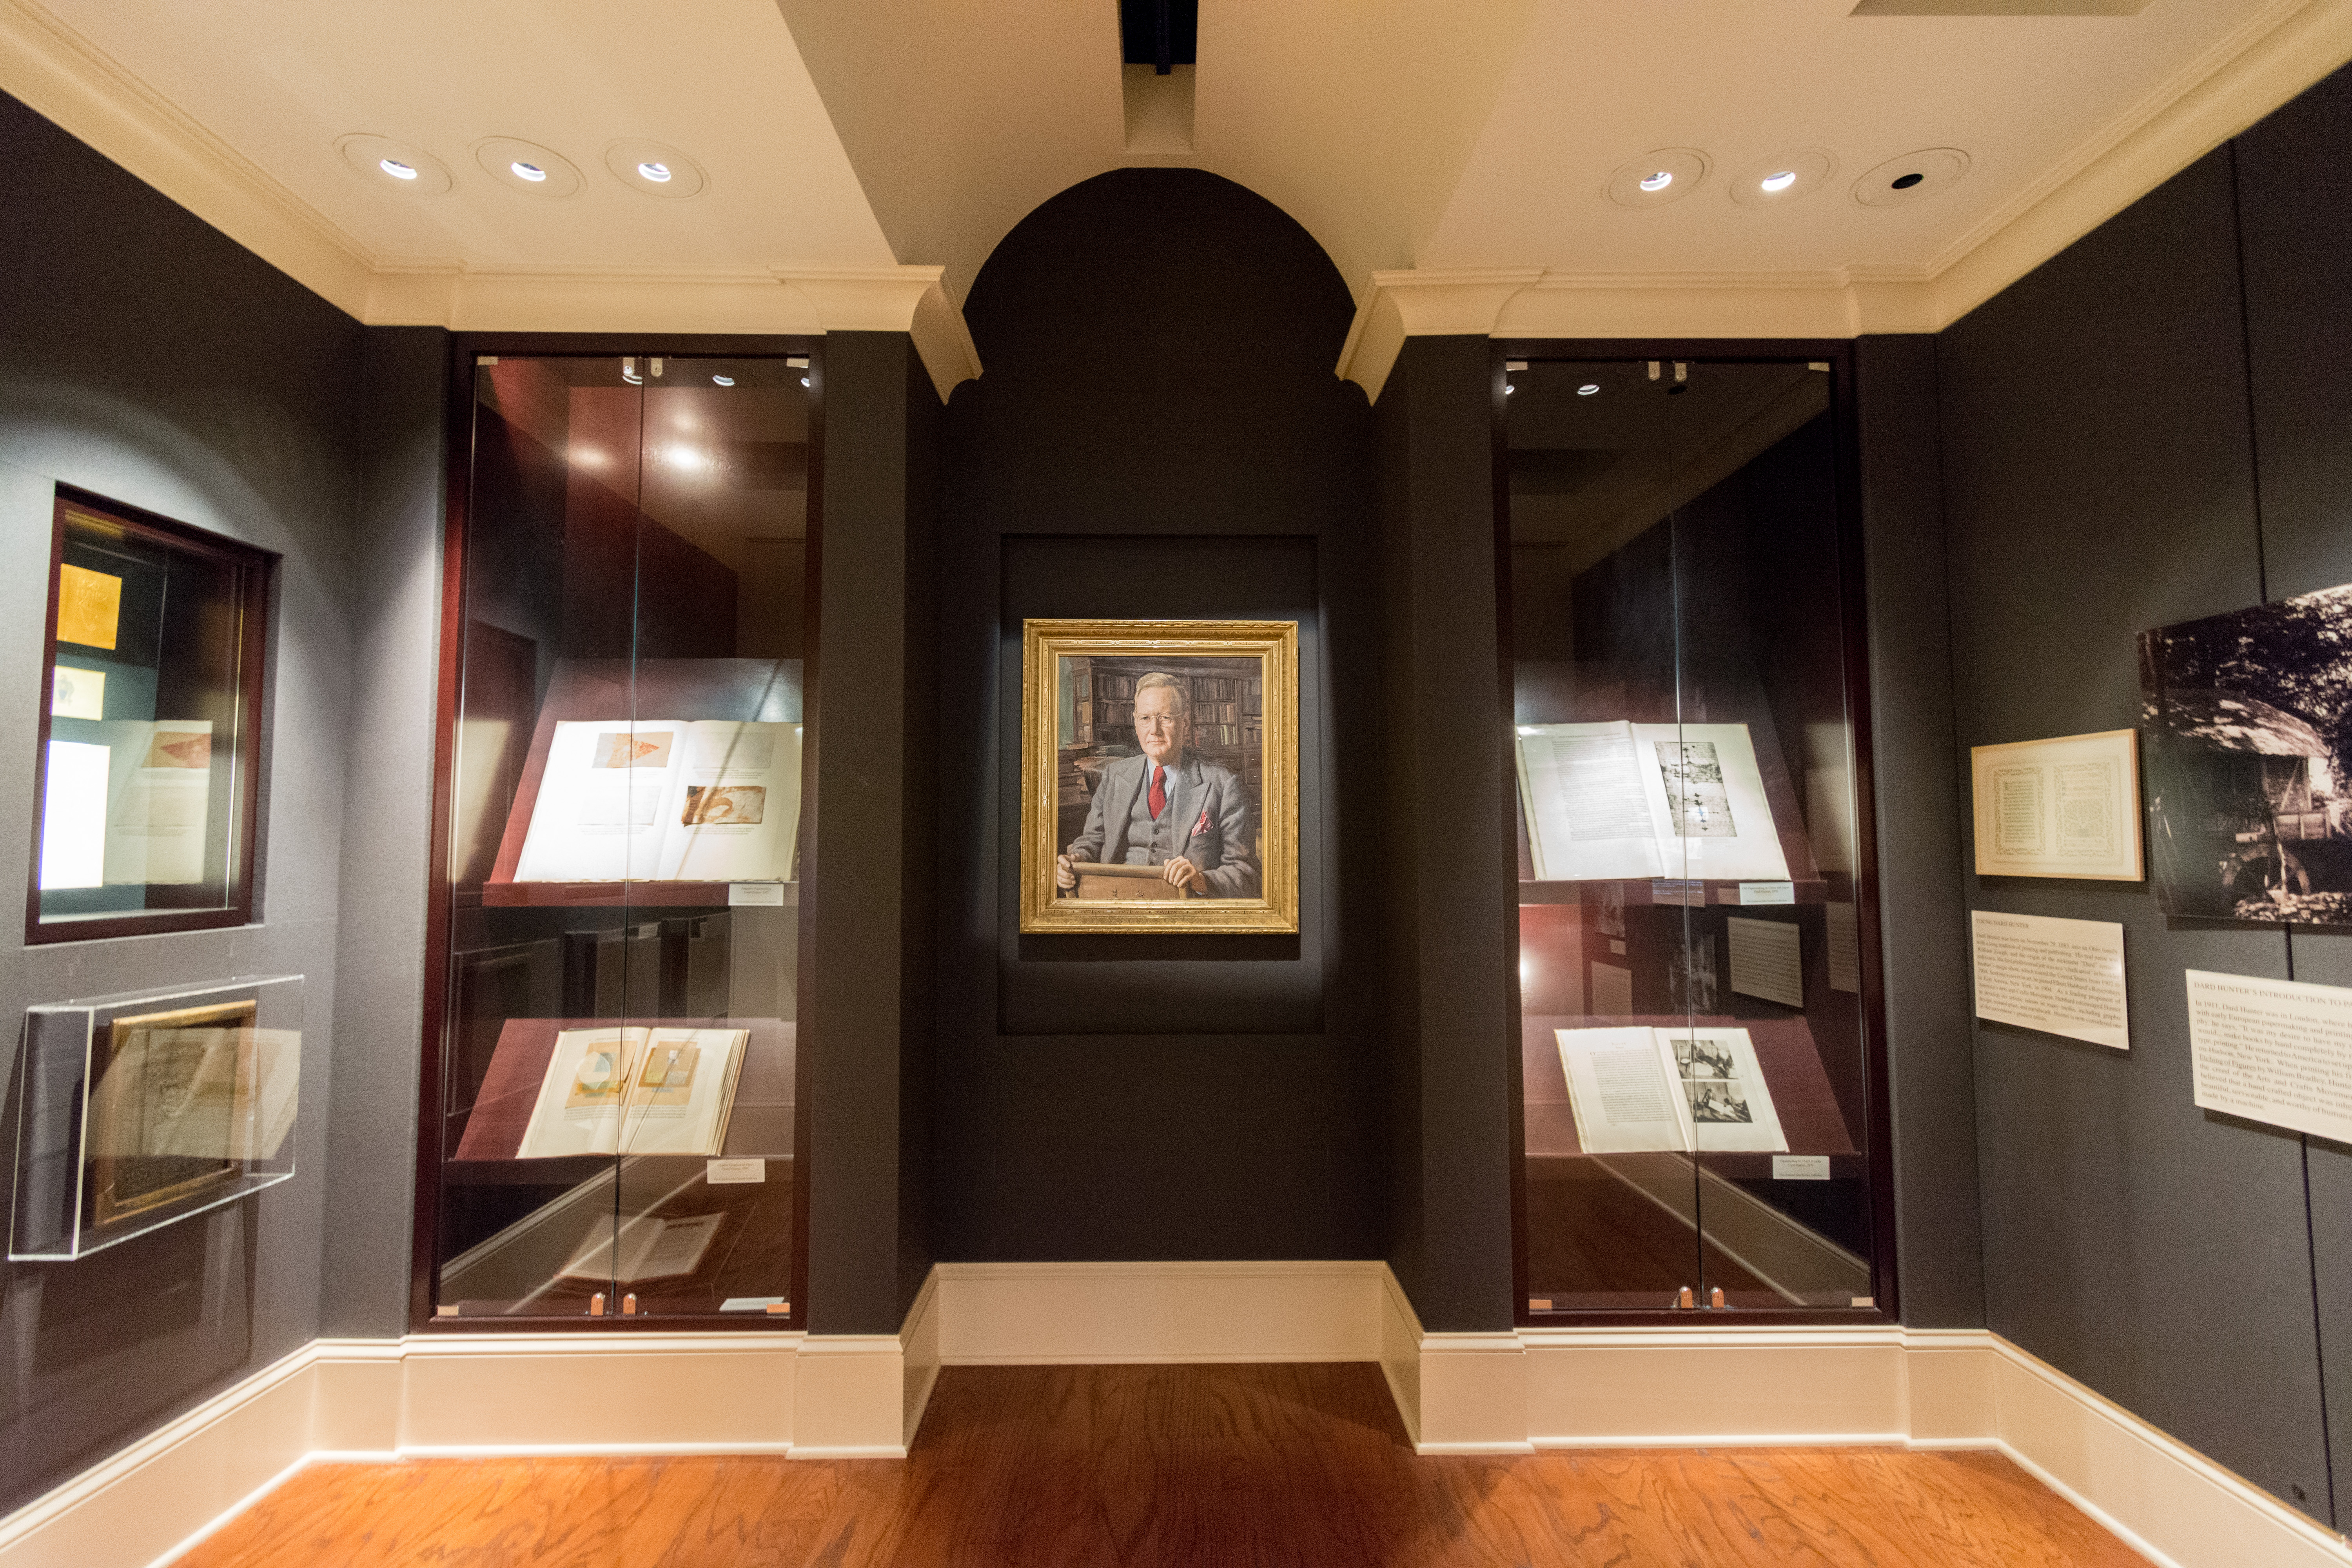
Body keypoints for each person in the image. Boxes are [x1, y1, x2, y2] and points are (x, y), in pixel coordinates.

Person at [1058, 671, 1259, 897]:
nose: (1154, 730)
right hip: (1116, 902)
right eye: (1145, 719)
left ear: (1185, 723)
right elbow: (1092, 841)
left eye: (1165, 718)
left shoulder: (1223, 784)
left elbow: (1247, 874)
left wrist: (1201, 881)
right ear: (1136, 723)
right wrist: (1076, 860)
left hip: (1183, 912)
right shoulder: (1115, 776)